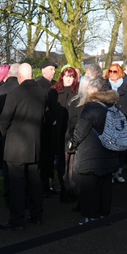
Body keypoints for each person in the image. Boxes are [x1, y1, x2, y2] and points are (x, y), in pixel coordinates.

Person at [0, 63, 47, 230]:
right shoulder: (42, 92)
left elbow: (4, 120)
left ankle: (17, 220)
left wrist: (5, 134)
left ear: (19, 76)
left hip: (16, 145)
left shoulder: (15, 93)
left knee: (17, 184)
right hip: (35, 144)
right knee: (35, 180)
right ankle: (37, 215)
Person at [70, 77, 122, 223]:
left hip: (90, 153)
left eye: (88, 88)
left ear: (94, 90)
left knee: (89, 188)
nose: (86, 90)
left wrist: (72, 144)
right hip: (109, 152)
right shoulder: (113, 106)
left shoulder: (91, 107)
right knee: (105, 186)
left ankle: (91, 216)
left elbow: (80, 131)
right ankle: (104, 215)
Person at [47, 67, 79, 200]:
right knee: (62, 161)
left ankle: (71, 190)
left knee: (72, 161)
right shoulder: (54, 91)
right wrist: (53, 121)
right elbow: (47, 109)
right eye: (66, 76)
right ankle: (64, 190)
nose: (68, 79)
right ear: (62, 76)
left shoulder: (77, 92)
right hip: (59, 132)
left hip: (72, 131)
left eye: (71, 76)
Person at [105, 63, 127, 183]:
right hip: (109, 120)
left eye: (115, 71)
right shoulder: (105, 85)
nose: (112, 74)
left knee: (122, 147)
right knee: (110, 147)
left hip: (123, 120)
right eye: (110, 71)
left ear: (120, 73)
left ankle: (119, 172)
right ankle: (110, 173)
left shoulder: (126, 86)